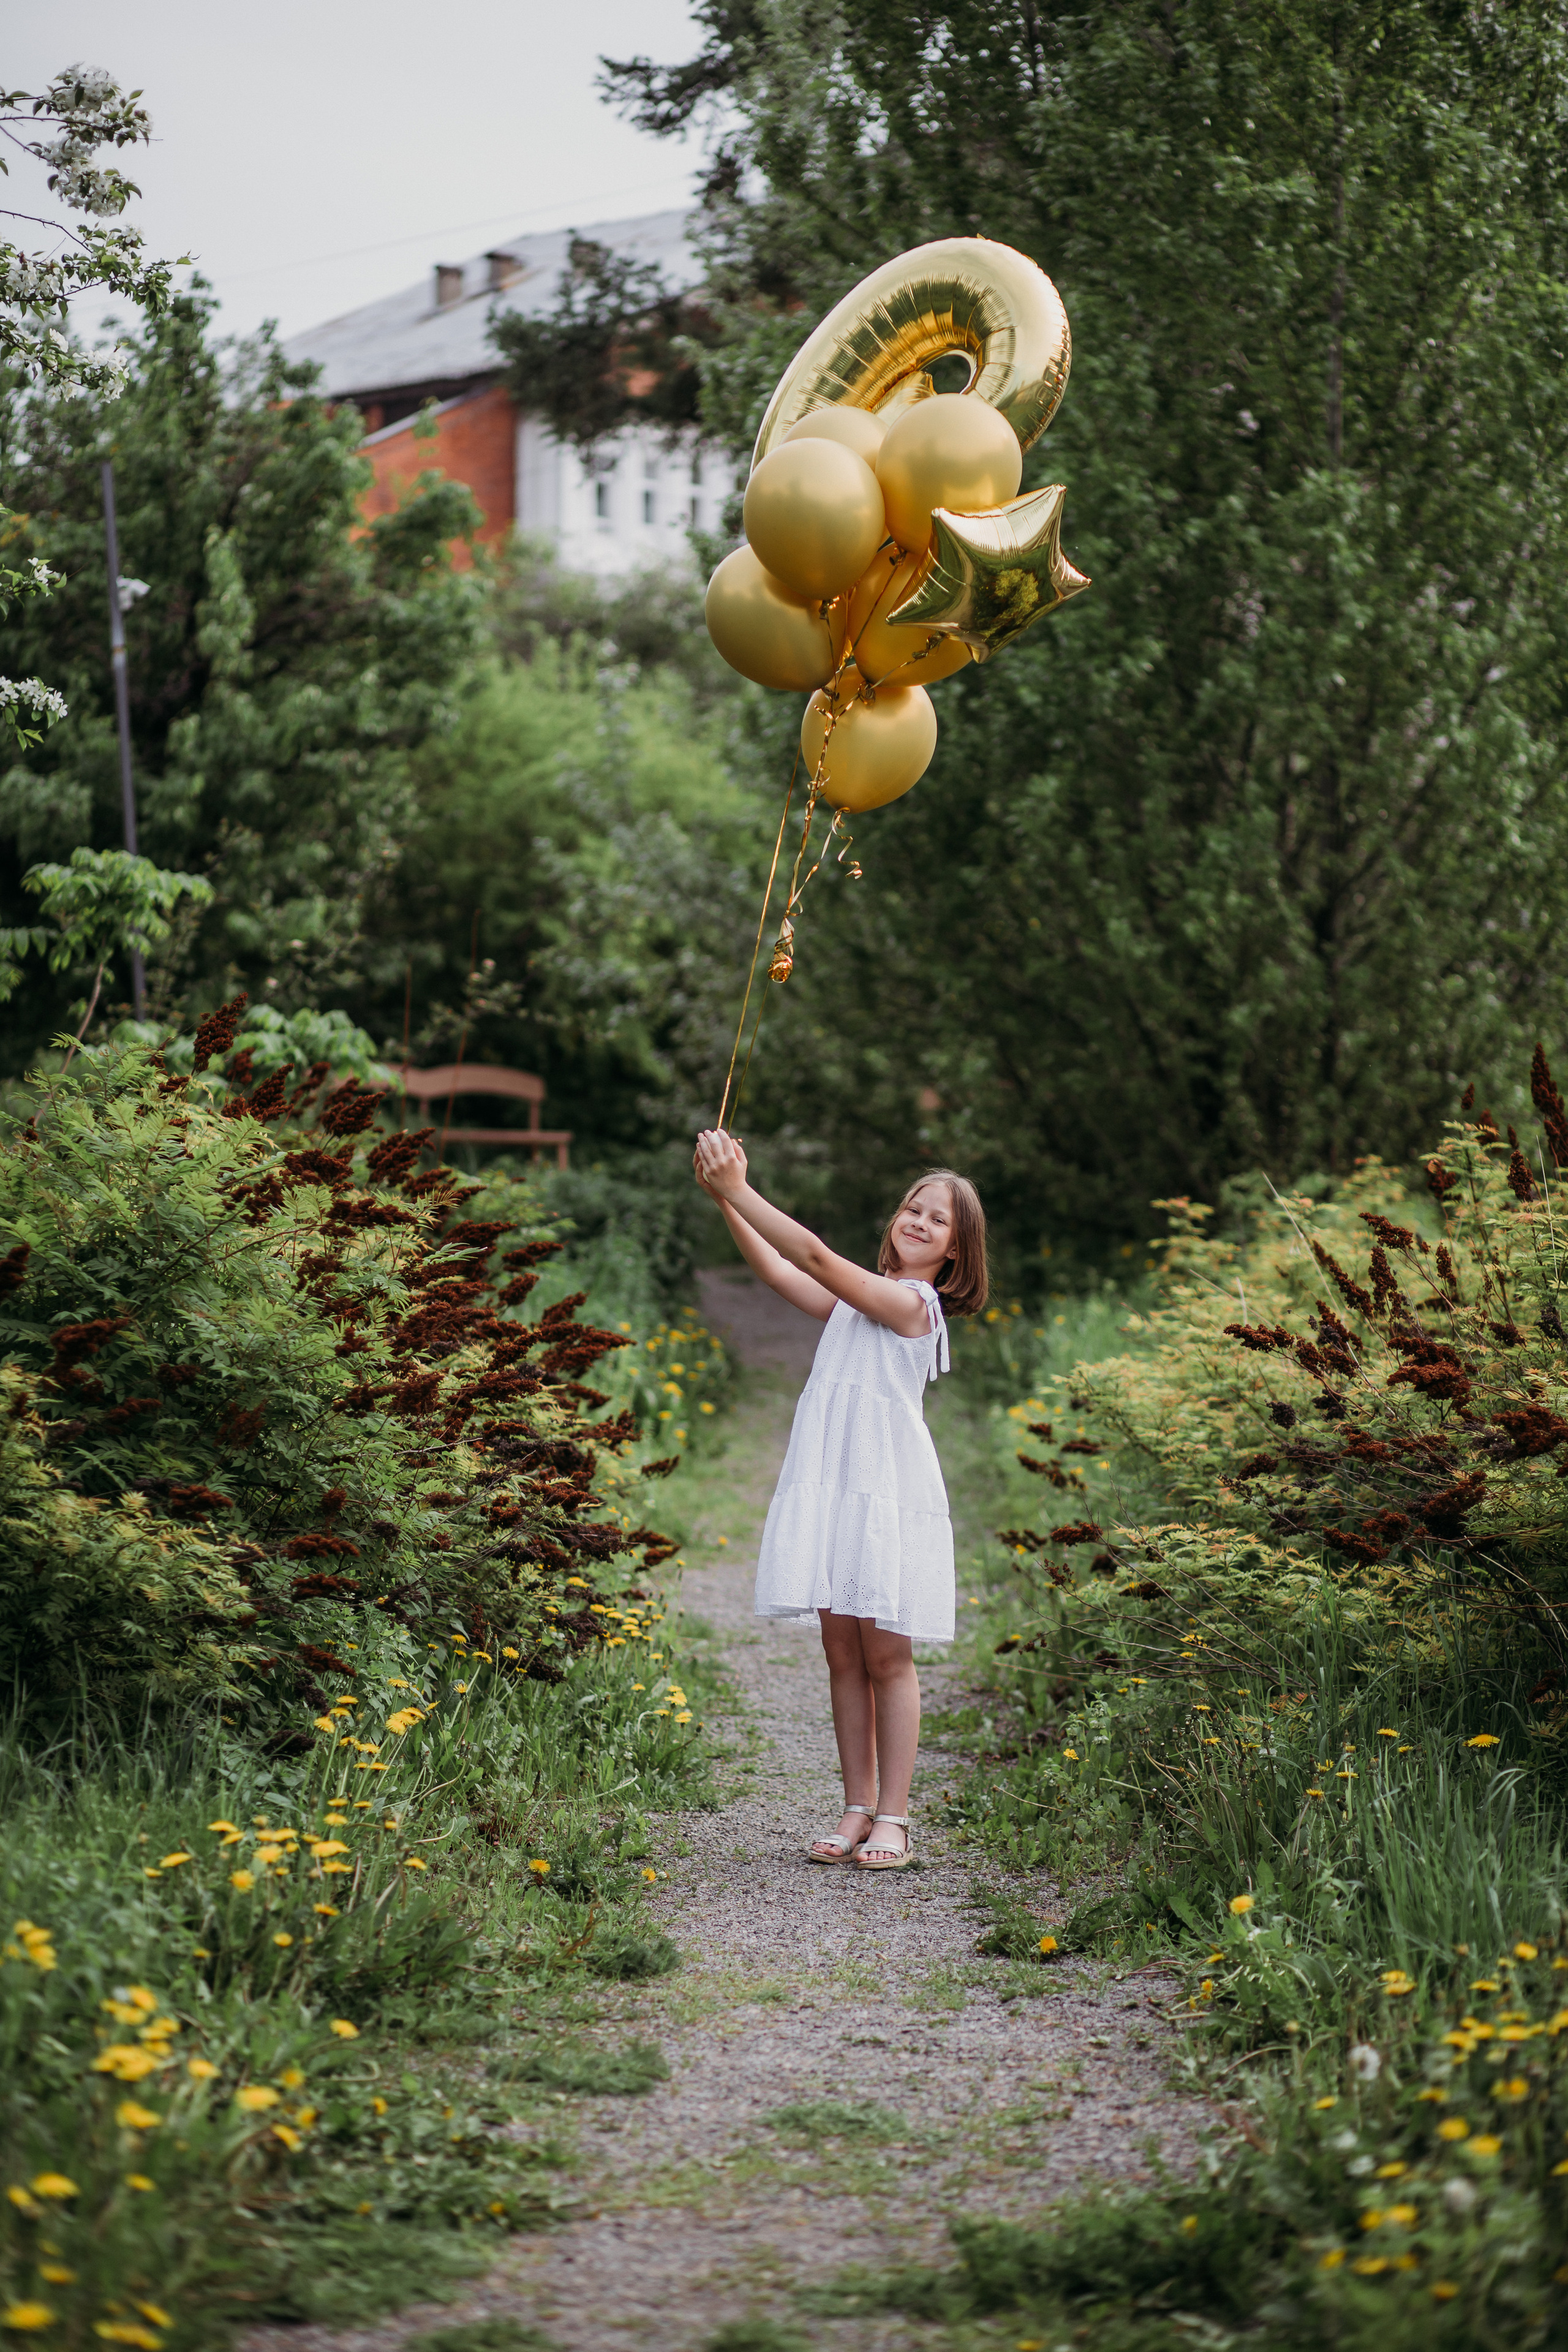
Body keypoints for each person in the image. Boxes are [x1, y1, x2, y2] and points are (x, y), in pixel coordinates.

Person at [692, 1129, 987, 1871]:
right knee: (840, 1650)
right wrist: (725, 1202)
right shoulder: (858, 1305)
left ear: (954, 1250)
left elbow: (816, 1256)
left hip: (883, 1490)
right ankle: (856, 1807)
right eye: (912, 1208)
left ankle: (896, 1816)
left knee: (887, 1654)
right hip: (834, 1483)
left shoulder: (912, 1303)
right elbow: (778, 1272)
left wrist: (741, 1189)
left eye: (937, 1219)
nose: (918, 1222)